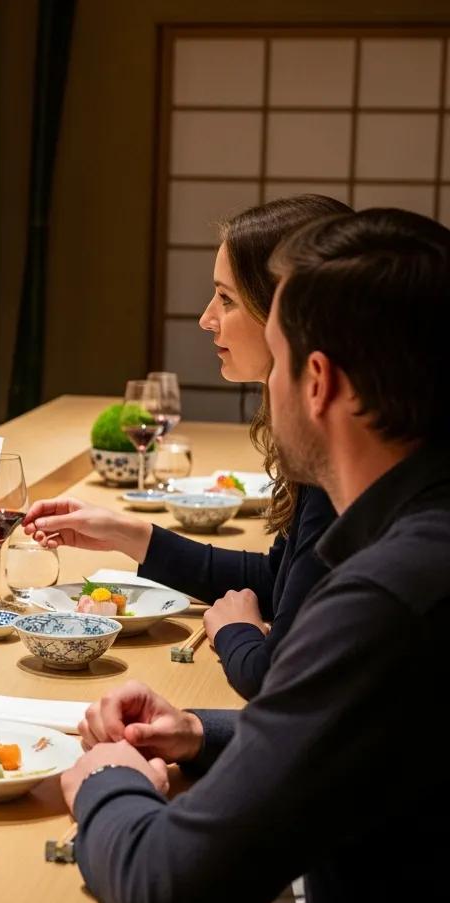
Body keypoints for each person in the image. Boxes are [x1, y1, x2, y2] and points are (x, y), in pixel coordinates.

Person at [60, 208, 450, 903]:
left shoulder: (391, 595)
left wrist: (109, 784)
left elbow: (169, 891)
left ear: (319, 380)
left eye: (273, 358)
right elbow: (373, 725)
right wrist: (209, 731)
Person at [25, 196, 351, 699]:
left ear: (284, 311)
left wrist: (234, 632)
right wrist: (130, 534)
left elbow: (278, 675)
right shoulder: (325, 450)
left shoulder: (341, 468)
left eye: (226, 299)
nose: (206, 319)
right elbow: (278, 581)